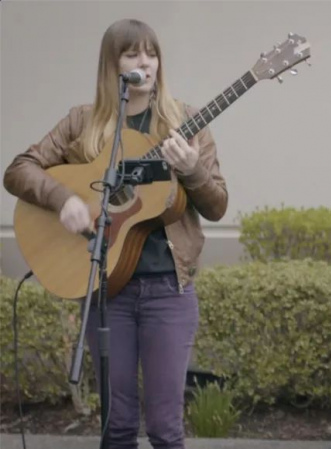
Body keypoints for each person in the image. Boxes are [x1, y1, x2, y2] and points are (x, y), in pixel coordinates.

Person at [3, 18, 228, 449]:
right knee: (117, 427)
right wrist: (63, 200)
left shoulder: (187, 121)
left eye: (152, 53)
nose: (146, 62)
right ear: (113, 65)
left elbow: (217, 206)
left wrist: (192, 170)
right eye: (132, 53)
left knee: (165, 429)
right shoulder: (83, 122)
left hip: (168, 290)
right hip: (106, 291)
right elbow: (19, 170)